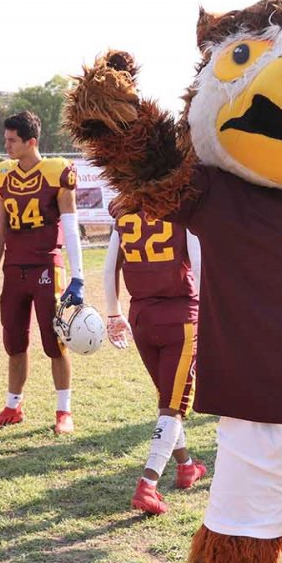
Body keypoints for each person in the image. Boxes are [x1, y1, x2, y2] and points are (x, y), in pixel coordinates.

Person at [0, 110, 84, 434]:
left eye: (12, 140)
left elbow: (70, 227)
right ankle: (13, 407)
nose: (7, 145)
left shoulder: (56, 172)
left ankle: (63, 411)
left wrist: (78, 276)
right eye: (6, 139)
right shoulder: (3, 176)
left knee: (55, 342)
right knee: (14, 342)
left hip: (46, 267)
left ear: (31, 142)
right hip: (14, 268)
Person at [101, 205, 207, 514]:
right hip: (181, 317)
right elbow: (199, 267)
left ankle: (187, 466)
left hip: (141, 317)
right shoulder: (181, 206)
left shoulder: (124, 211)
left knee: (167, 400)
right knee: (172, 407)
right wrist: (212, 315)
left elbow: (110, 269)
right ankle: (147, 485)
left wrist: (113, 314)